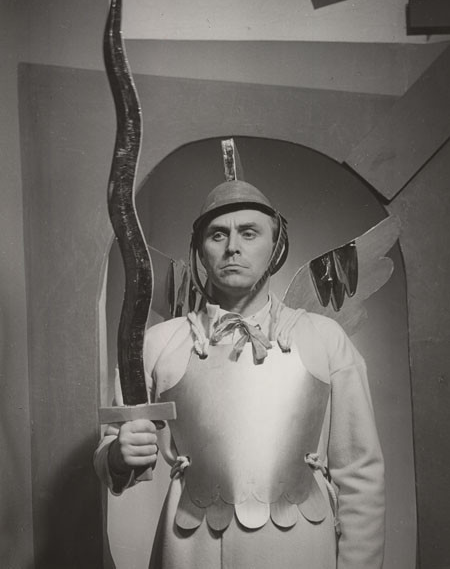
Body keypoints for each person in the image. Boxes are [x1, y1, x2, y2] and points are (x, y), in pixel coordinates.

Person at [94, 179, 385, 569]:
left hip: (300, 551)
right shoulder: (159, 343)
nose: (232, 246)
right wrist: (120, 456)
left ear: (276, 245)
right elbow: (110, 458)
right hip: (190, 552)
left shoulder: (324, 339)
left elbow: (361, 475)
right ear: (200, 249)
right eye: (218, 234)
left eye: (249, 233)